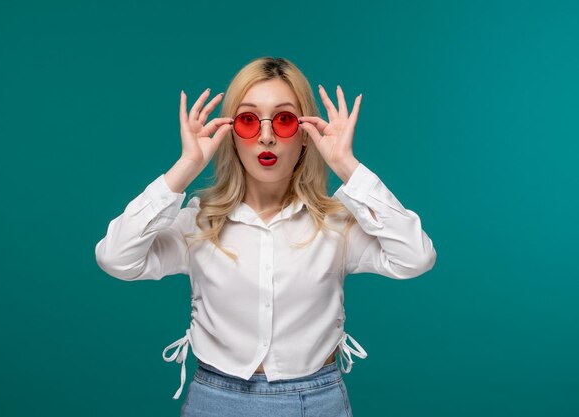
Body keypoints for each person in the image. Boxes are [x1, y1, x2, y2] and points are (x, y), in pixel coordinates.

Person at [95, 56, 437, 416]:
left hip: (317, 401)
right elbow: (116, 258)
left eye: (285, 119)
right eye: (247, 120)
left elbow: (416, 257)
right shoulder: (197, 222)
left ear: (306, 135)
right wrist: (185, 168)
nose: (267, 136)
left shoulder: (338, 224)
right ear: (231, 135)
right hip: (215, 399)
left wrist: (347, 168)